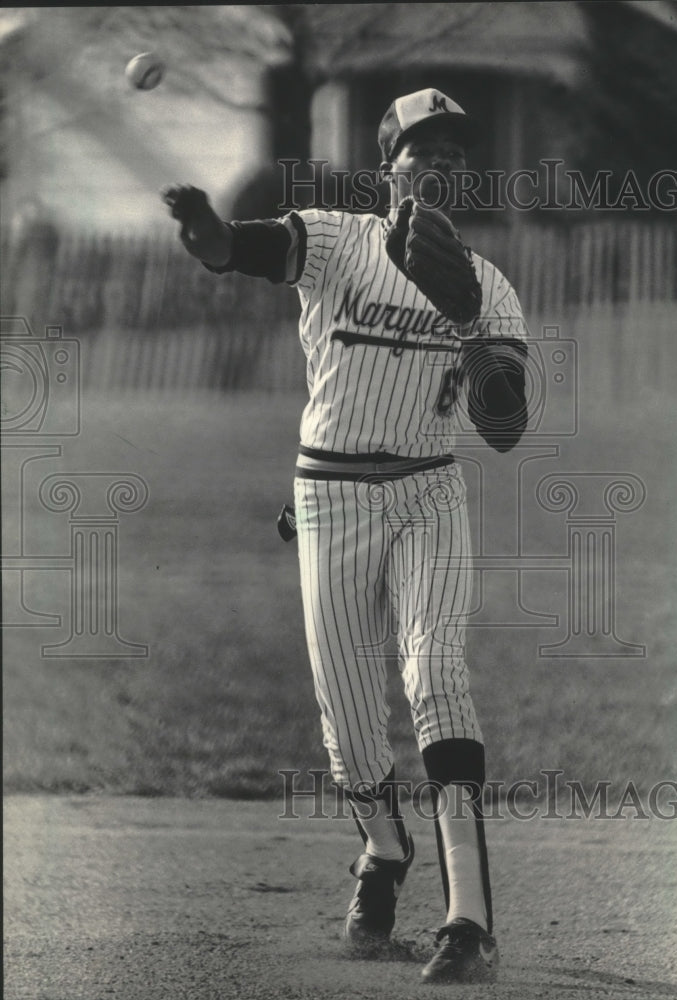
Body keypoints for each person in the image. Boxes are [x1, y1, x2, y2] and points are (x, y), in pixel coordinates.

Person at [162, 87, 528, 985]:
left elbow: (507, 426)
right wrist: (206, 231)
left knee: (437, 678)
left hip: (427, 494)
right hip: (329, 497)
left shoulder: (489, 285)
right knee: (352, 731)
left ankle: (468, 926)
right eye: (421, 150)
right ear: (387, 167)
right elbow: (236, 251)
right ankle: (383, 851)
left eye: (454, 152)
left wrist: (467, 320)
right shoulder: (334, 240)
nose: (441, 162)